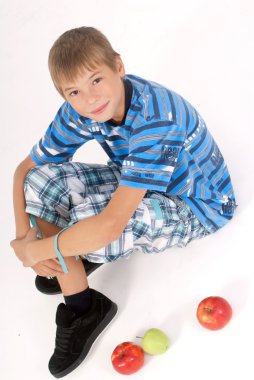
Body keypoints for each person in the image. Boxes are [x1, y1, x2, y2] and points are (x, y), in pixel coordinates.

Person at [10, 26, 236, 377]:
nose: (90, 99)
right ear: (66, 95)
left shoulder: (156, 119)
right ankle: (75, 274)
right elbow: (24, 171)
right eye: (75, 91)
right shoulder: (82, 110)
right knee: (42, 183)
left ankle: (82, 307)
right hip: (136, 180)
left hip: (196, 204)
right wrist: (24, 236)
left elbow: (109, 226)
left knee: (92, 225)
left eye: (96, 80)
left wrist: (37, 252)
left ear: (118, 66)